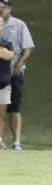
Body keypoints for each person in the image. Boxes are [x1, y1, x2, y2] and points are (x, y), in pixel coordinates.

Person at [0, 0, 35, 151]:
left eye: (4, 7)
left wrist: (19, 65)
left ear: (10, 8)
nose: (2, 9)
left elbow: (28, 48)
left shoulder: (19, 24)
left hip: (14, 73)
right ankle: (1, 141)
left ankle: (17, 142)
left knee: (14, 108)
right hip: (1, 73)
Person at [0, 16, 16, 150]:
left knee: (1, 115)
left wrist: (4, 52)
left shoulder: (7, 43)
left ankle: (0, 141)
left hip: (3, 85)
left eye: (0, 25)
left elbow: (9, 55)